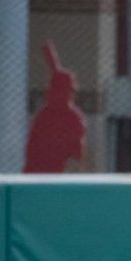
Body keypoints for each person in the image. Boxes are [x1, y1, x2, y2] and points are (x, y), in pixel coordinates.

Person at [24, 40, 86, 174]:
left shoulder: (74, 119)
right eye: (62, 90)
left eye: (69, 91)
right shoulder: (44, 116)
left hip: (59, 177)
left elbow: (76, 158)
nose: (68, 94)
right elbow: (31, 152)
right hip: (37, 175)